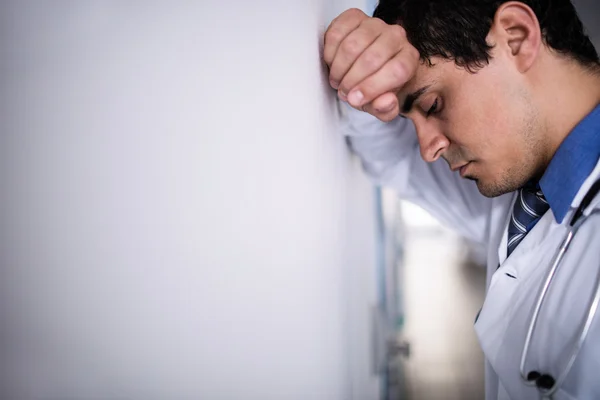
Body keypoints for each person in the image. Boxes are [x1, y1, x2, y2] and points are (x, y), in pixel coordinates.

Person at [324, 1, 600, 399]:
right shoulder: (525, 195)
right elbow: (393, 156)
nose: (428, 149)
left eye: (433, 105)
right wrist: (366, 76)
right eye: (412, 119)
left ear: (517, 37)